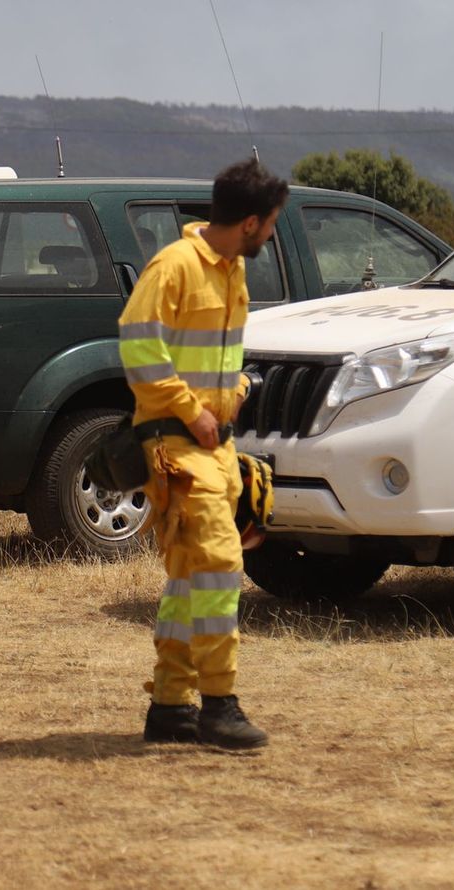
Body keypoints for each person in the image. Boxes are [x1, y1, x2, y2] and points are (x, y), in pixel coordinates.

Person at [117, 158, 288, 749]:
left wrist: (235, 389)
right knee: (218, 569)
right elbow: (137, 346)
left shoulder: (232, 270)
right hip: (176, 446)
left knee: (192, 578)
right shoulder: (175, 266)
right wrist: (191, 411)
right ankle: (219, 705)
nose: (272, 235)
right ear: (250, 222)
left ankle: (169, 707)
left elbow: (215, 356)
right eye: (271, 224)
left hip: (214, 449)